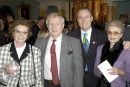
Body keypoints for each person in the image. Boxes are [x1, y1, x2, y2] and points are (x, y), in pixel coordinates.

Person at [35, 13, 83, 87]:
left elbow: (78, 70)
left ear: (62, 26)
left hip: (66, 84)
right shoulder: (39, 42)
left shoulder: (74, 42)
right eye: (51, 24)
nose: (54, 27)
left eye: (57, 24)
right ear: (47, 26)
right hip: (45, 84)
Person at [67, 7, 107, 87]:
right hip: (77, 79)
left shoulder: (103, 35)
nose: (83, 20)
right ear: (77, 20)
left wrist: (126, 44)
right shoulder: (70, 36)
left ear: (91, 18)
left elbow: (111, 52)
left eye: (86, 17)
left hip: (96, 78)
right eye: (80, 18)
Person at [0, 19, 43, 87]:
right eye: (18, 31)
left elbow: (38, 78)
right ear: (13, 32)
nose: (21, 35)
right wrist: (5, 72)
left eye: (24, 32)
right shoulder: (2, 51)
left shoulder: (35, 52)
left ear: (28, 35)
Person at [94, 20, 130, 87]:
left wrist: (120, 72)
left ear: (121, 34)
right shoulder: (100, 48)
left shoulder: (126, 51)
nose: (112, 35)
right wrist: (98, 71)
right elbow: (95, 71)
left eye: (116, 33)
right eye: (109, 32)